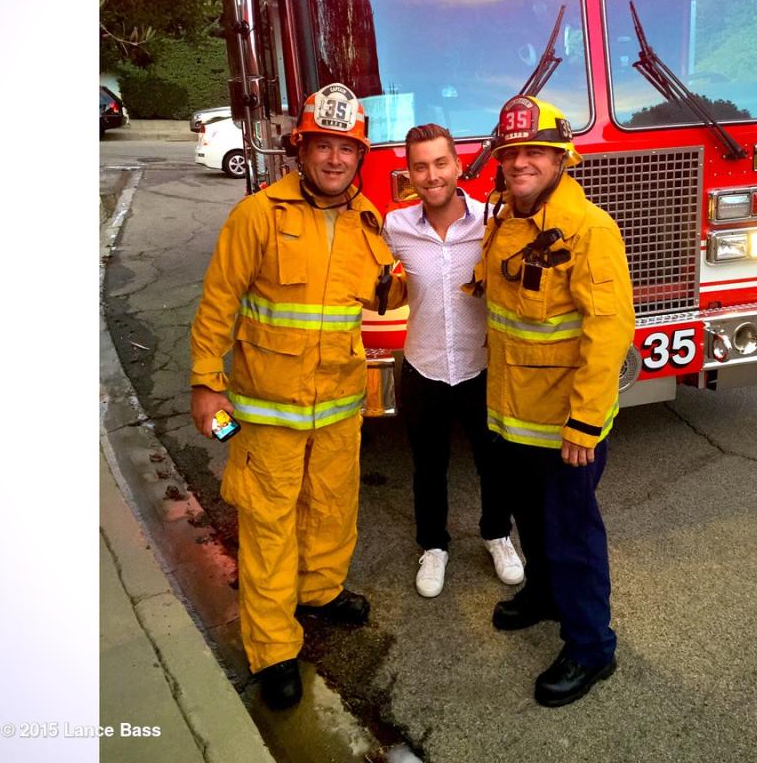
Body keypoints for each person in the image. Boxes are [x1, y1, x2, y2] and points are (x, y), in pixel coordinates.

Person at [188, 84, 401, 711]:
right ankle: (274, 647)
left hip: (338, 408)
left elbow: (383, 297)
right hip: (265, 415)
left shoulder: (370, 224)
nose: (335, 159)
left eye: (347, 148)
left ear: (359, 157)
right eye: (323, 145)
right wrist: (207, 384)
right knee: (268, 526)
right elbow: (218, 304)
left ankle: (320, 591)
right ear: (300, 148)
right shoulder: (257, 215)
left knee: (332, 509)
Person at [464, 94, 635, 708]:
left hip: (566, 425)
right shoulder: (504, 219)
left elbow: (609, 331)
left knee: (572, 537)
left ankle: (592, 648)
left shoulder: (590, 230)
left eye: (535, 152)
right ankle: (542, 596)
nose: (521, 163)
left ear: (562, 158)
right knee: (533, 524)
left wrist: (586, 424)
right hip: (512, 416)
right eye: (512, 154)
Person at [382, 124, 523, 598]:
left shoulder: (493, 224)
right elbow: (363, 272)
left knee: (495, 462)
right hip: (423, 366)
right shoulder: (394, 227)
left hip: (482, 366)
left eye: (440, 163)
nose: (432, 175)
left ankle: (497, 535)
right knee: (428, 465)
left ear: (458, 166)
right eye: (420, 166)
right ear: (409, 173)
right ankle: (434, 546)